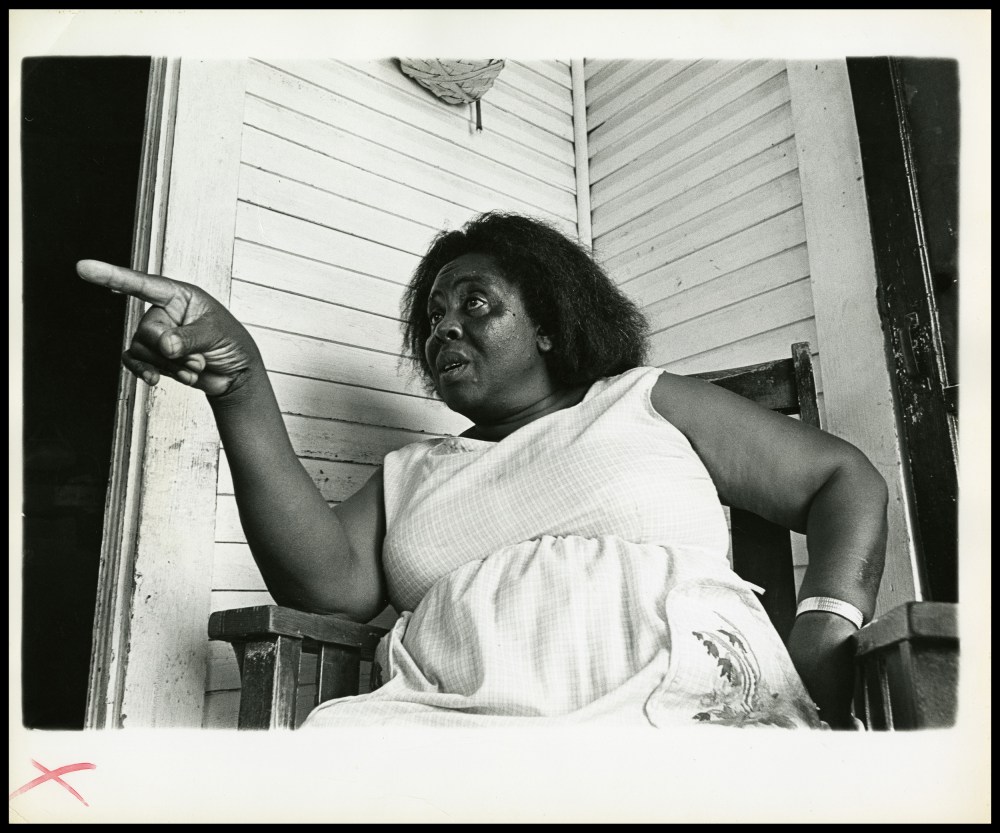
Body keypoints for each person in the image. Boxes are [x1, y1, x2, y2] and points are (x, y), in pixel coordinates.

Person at [77, 211, 887, 729]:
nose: (444, 328)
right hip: (442, 725)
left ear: (546, 325)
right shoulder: (414, 472)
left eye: (476, 304)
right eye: (433, 316)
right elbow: (325, 588)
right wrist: (242, 381)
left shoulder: (641, 400)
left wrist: (825, 626)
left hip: (669, 710)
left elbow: (840, 479)